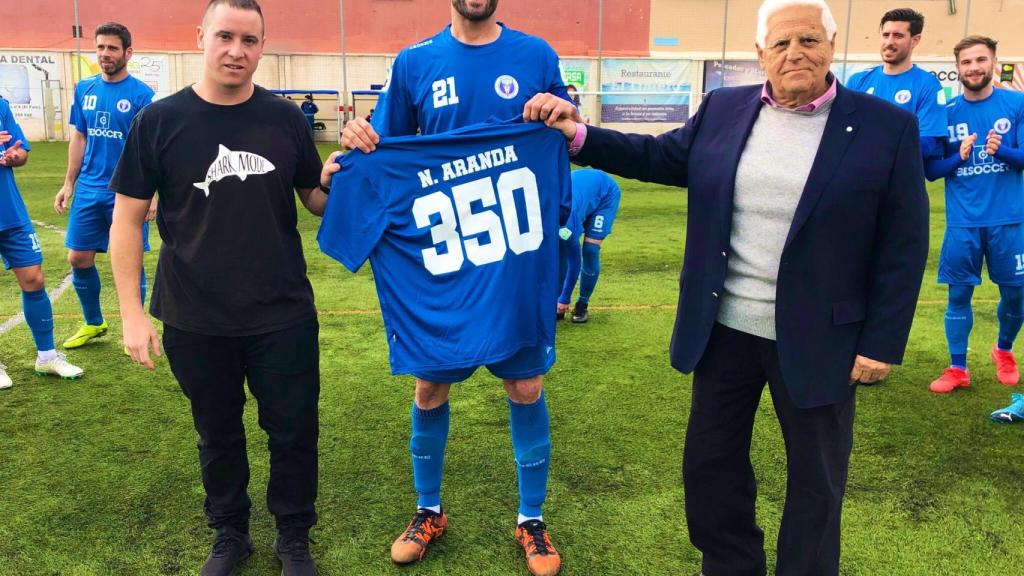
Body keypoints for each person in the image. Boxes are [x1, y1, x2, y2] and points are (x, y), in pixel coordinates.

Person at [525, 0, 929, 574]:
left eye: (810, 40)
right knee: (711, 467)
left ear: (832, 48)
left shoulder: (886, 127)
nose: (796, 54)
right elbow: (661, 156)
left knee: (817, 477)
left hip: (823, 339)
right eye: (782, 43)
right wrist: (579, 135)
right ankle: (731, 563)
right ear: (760, 54)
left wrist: (883, 342)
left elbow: (904, 243)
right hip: (725, 330)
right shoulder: (724, 107)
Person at [338, 1, 574, 574]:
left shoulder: (536, 55)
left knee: (524, 385)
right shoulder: (415, 62)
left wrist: (562, 112)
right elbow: (382, 148)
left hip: (510, 254)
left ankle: (532, 520)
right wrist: (357, 136)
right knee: (428, 388)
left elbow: (568, 135)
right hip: (445, 259)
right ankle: (428, 510)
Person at [108, 1, 332, 575]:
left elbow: (315, 200)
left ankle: (293, 535)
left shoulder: (285, 120)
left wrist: (343, 175)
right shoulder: (158, 121)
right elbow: (127, 220)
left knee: (293, 431)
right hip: (194, 314)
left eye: (250, 40)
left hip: (281, 311)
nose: (237, 50)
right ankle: (230, 532)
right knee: (218, 433)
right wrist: (132, 314)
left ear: (263, 46)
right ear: (201, 37)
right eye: (226, 36)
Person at [924, 36, 1024, 394]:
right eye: (966, 62)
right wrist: (958, 158)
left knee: (1016, 295)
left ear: (994, 63)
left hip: (1010, 220)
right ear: (958, 69)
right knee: (958, 295)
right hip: (963, 223)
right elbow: (932, 170)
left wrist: (1004, 153)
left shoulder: (1017, 103)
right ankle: (957, 367)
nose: (974, 67)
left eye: (981, 60)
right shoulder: (947, 113)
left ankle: (1003, 349)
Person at [54, 22, 156, 351]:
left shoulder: (143, 95)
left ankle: (134, 327)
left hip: (128, 192)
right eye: (100, 47)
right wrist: (69, 184)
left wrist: (153, 193)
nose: (104, 54)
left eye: (112, 48)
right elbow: (79, 137)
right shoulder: (84, 89)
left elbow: (151, 150)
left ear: (128, 52)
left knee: (130, 261)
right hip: (89, 189)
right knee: (77, 258)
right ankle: (94, 323)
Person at [0, 94, 84, 390]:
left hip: (9, 210)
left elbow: (21, 151)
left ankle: (47, 357)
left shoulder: (1, 105)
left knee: (34, 278)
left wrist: (13, 156)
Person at [846, 8, 947, 161]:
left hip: (899, 181)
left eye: (898, 36)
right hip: (857, 179)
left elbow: (927, 144)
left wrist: (873, 149)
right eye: (885, 35)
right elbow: (842, 130)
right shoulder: (857, 81)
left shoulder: (928, 85)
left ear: (915, 40)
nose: (889, 42)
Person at [557, 168, 620, 323]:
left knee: (590, 250)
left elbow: (574, 261)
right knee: (559, 252)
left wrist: (563, 299)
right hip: (580, 196)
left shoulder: (565, 225)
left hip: (605, 195)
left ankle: (582, 303)